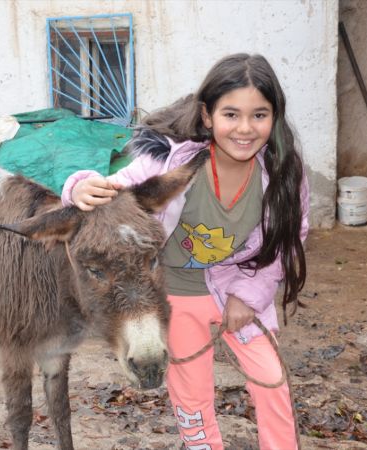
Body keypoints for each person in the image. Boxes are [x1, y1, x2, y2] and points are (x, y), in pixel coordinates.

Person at [61, 53, 309, 449]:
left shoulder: (283, 171)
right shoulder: (168, 162)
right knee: (192, 398)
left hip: (241, 288)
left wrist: (251, 294)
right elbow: (108, 191)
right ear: (207, 116)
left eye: (259, 115)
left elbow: (292, 235)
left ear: (274, 118)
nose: (245, 128)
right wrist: (78, 187)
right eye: (231, 114)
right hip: (176, 294)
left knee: (272, 383)